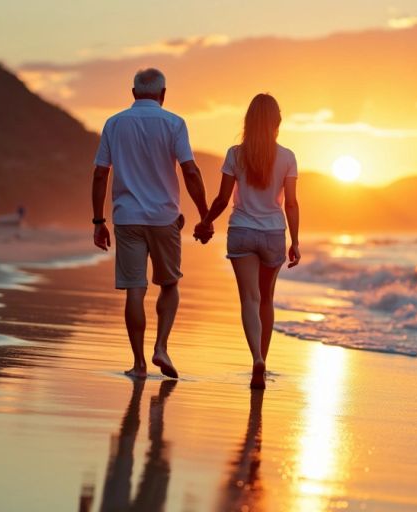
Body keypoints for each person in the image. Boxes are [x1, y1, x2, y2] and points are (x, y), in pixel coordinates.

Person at [92, 68, 209, 379]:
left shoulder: (114, 123)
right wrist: (204, 215)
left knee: (135, 290)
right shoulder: (174, 123)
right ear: (164, 94)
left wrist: (98, 221)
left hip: (127, 218)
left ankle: (139, 364)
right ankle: (161, 347)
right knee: (169, 284)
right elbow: (191, 172)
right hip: (164, 218)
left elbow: (101, 174)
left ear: (133, 94)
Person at [195, 93, 300, 389]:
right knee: (266, 299)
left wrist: (205, 222)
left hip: (241, 231)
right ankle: (263, 363)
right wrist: (296, 241)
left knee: (249, 300)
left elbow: (221, 198)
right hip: (273, 235)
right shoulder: (287, 157)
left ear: (248, 121)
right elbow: (291, 204)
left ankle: (256, 358)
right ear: (276, 122)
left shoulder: (235, 154)